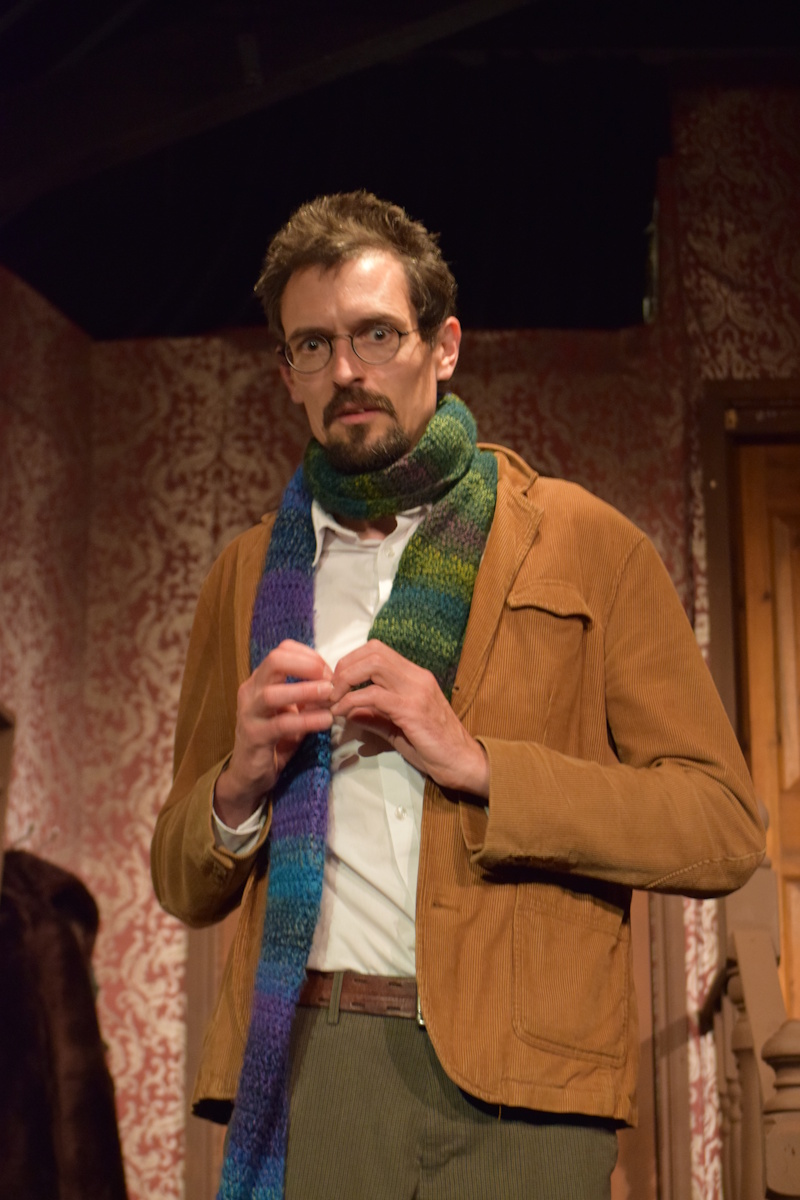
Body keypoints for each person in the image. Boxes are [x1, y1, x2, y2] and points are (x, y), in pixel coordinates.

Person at [151, 191, 764, 1200]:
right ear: (287, 374)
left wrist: (480, 765)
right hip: (315, 1066)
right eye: (313, 346)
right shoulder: (248, 574)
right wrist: (237, 786)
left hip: (527, 1083)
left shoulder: (584, 542)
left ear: (442, 347)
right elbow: (183, 880)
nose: (346, 371)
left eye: (375, 334)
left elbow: (720, 825)